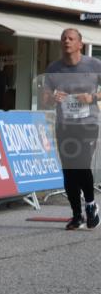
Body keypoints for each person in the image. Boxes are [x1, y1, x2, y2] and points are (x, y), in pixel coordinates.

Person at [42, 28, 101, 230]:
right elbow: (45, 99)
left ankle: (91, 205)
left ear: (79, 44)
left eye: (71, 38)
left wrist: (92, 97)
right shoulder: (53, 68)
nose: (66, 41)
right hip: (65, 124)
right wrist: (52, 98)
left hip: (88, 123)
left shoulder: (94, 65)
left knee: (82, 164)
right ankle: (77, 215)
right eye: (63, 38)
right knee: (69, 171)